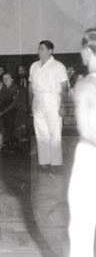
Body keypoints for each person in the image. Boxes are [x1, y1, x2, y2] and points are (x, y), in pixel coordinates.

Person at [67, 28, 96, 256]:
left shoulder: (85, 85)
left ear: (87, 51)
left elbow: (85, 129)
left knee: (82, 221)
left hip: (90, 153)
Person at [29, 40, 68, 170]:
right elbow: (30, 86)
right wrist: (31, 104)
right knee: (41, 132)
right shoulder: (34, 66)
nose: (39, 51)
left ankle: (56, 162)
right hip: (37, 100)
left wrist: (62, 105)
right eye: (39, 48)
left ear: (50, 51)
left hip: (53, 100)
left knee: (54, 131)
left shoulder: (58, 66)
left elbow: (65, 87)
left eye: (42, 49)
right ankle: (45, 161)